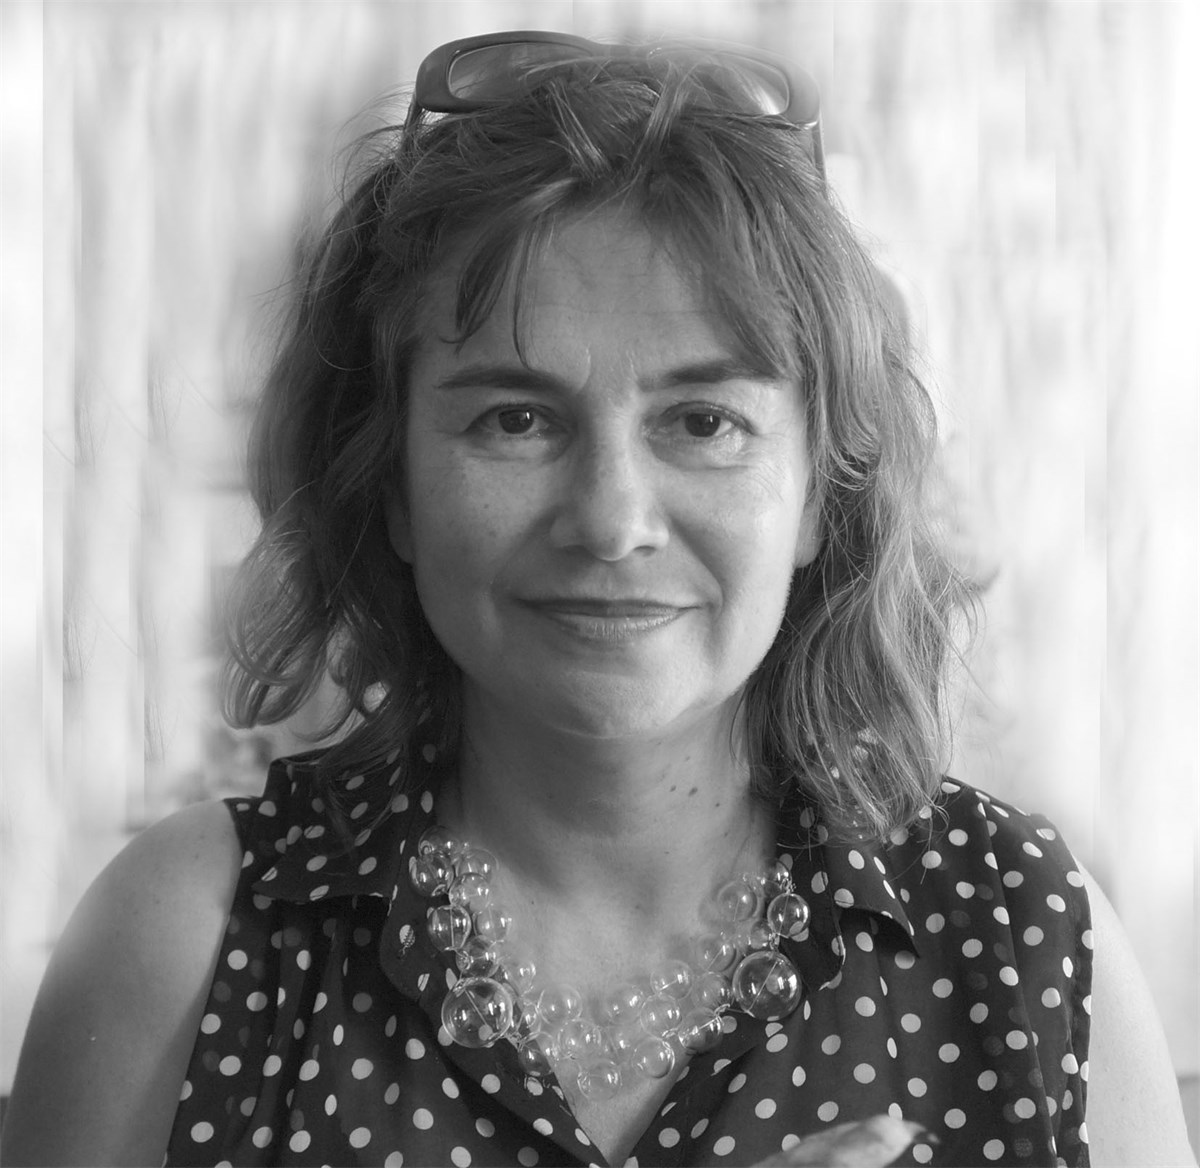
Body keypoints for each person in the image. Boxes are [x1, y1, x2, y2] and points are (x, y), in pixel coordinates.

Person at [3, 32, 1193, 1168]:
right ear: (393, 486)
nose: (613, 520)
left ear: (820, 499)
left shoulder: (1032, 937)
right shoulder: (186, 935)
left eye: (704, 421)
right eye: (514, 419)